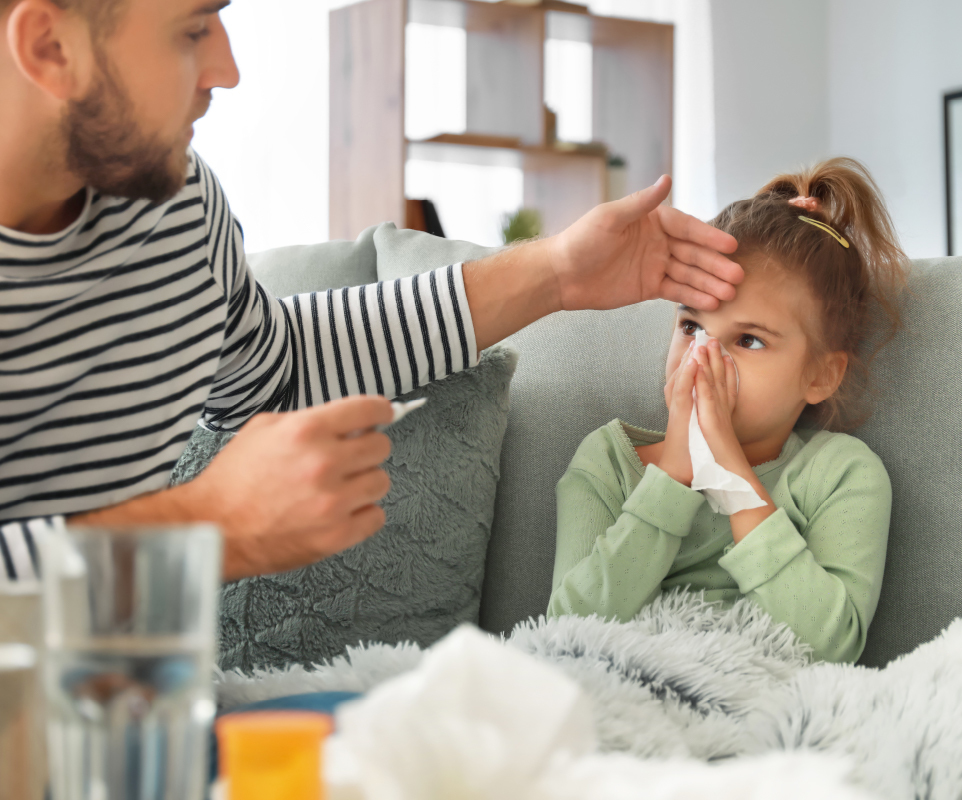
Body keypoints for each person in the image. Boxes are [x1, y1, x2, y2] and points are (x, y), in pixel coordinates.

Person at [0, 0, 743, 584]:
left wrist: (556, 274)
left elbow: (275, 371)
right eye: (193, 28)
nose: (225, 69)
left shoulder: (173, 207)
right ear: (49, 48)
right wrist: (202, 532)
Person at [547, 158, 909, 664]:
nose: (703, 357)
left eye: (749, 340)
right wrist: (674, 474)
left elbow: (832, 648)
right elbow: (562, 632)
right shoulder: (609, 461)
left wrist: (735, 482)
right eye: (692, 326)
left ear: (821, 375)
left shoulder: (840, 474)